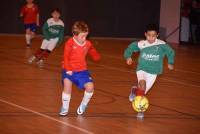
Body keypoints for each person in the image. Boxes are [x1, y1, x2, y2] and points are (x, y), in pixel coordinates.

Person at [124, 24, 175, 119]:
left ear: (157, 35)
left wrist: (170, 62)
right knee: (142, 85)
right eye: (149, 35)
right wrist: (128, 57)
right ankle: (140, 110)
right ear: (145, 34)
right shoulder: (142, 43)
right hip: (142, 68)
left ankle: (135, 91)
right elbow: (130, 48)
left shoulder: (161, 44)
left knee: (143, 92)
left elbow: (170, 52)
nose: (151, 38)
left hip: (153, 72)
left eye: (153, 35)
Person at [59, 21, 101, 116]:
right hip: (68, 68)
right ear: (74, 34)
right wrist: (68, 69)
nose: (84, 38)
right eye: (82, 36)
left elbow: (91, 50)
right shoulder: (69, 43)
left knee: (90, 87)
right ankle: (65, 107)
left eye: (86, 36)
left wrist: (95, 56)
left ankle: (83, 105)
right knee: (67, 85)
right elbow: (66, 57)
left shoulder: (87, 43)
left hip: (82, 70)